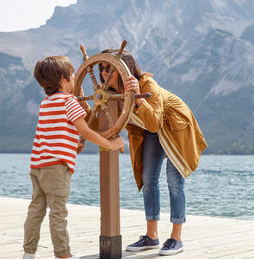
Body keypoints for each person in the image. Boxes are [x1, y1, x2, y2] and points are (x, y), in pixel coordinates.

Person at [99, 49, 207, 256]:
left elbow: (155, 121)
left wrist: (138, 97)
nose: (104, 73)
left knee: (174, 181)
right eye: (101, 68)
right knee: (148, 179)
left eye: (108, 68)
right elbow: (101, 123)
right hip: (150, 130)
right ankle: (152, 236)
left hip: (175, 126)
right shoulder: (112, 95)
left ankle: (176, 238)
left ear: (124, 68)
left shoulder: (148, 85)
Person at [23, 55, 124, 259]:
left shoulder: (45, 103)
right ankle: (63, 254)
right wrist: (111, 144)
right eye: (72, 74)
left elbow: (51, 134)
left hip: (38, 167)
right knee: (58, 213)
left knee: (36, 211)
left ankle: (29, 253)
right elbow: (85, 131)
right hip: (57, 168)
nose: (75, 77)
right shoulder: (69, 101)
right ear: (63, 78)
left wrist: (72, 144)